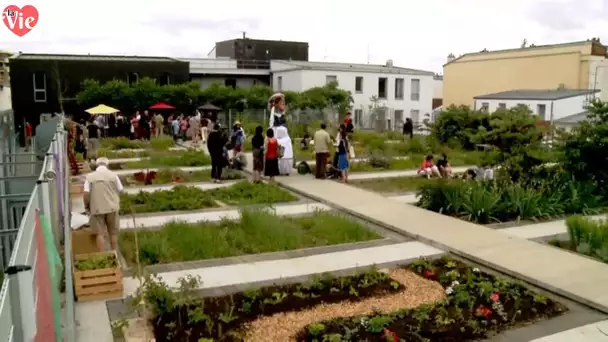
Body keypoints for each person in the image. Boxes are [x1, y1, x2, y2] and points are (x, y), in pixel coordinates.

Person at [84, 157, 123, 252]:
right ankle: (114, 254)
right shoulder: (114, 175)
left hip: (97, 208)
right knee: (113, 233)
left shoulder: (89, 177)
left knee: (100, 234)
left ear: (97, 165)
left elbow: (86, 194)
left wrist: (87, 206)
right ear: (107, 164)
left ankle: (103, 256)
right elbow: (121, 189)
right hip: (112, 208)